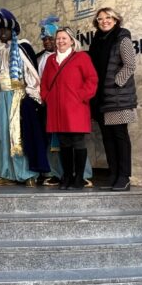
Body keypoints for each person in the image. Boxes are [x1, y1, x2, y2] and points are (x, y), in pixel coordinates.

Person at [0, 9, 49, 187]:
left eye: (6, 30)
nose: (3, 33)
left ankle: (27, 174)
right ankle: (6, 172)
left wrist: (30, 98)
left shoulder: (23, 48)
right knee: (3, 136)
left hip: (18, 97)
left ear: (12, 31)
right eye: (0, 31)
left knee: (19, 135)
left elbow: (33, 76)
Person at [41, 28, 99, 190]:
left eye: (64, 38)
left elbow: (92, 79)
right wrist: (47, 97)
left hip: (76, 108)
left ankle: (79, 177)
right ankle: (67, 176)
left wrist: (81, 96)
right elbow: (44, 82)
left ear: (72, 40)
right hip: (57, 109)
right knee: (64, 143)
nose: (60, 41)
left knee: (78, 142)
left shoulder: (81, 57)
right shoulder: (51, 59)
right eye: (58, 38)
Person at [87, 7, 137, 192]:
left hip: (117, 97)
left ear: (116, 20)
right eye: (100, 19)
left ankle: (124, 177)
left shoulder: (122, 38)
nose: (104, 21)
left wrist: (116, 83)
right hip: (101, 98)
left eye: (108, 17)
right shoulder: (97, 41)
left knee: (119, 136)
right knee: (107, 138)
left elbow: (130, 65)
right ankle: (113, 174)